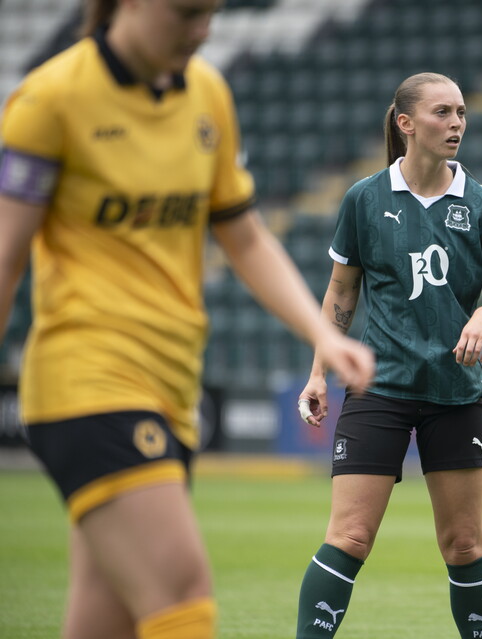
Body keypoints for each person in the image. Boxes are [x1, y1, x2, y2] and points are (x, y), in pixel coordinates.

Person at [0, 2, 375, 638]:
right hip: (85, 379)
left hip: (172, 388)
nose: (203, 29)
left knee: (106, 619)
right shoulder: (51, 99)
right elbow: (6, 255)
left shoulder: (208, 93)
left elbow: (246, 237)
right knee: (180, 590)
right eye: (187, 13)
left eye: (211, 13)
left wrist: (322, 335)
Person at [294, 72, 482, 638]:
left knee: (465, 543)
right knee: (349, 536)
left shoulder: (480, 202)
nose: (456, 124)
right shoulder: (365, 198)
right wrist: (318, 372)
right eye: (443, 113)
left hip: (456, 392)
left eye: (462, 113)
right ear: (406, 123)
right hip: (380, 388)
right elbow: (341, 293)